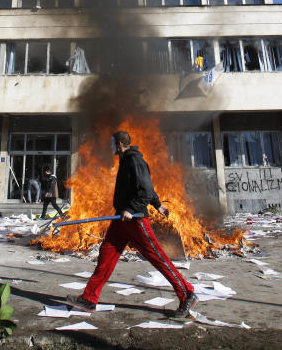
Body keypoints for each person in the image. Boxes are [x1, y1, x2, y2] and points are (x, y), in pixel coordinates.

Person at [67, 130, 196, 319]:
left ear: (119, 144)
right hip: (121, 221)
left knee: (157, 257)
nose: (111, 147)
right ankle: (89, 298)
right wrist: (157, 205)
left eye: (112, 143)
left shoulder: (134, 160)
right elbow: (142, 188)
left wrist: (134, 208)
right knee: (106, 255)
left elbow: (146, 188)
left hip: (135, 220)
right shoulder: (126, 160)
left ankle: (187, 293)